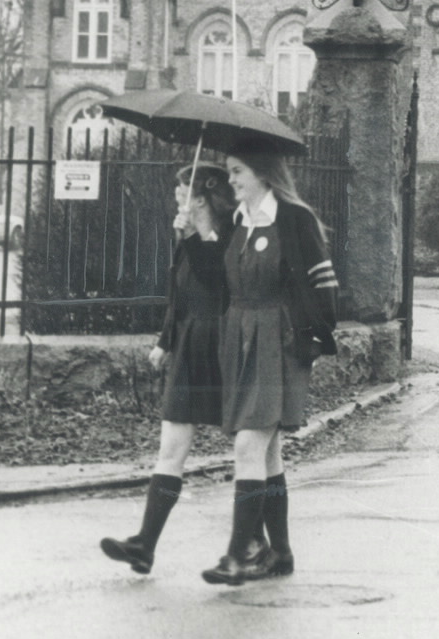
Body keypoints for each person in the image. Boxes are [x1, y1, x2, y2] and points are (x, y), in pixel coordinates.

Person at [202, 146, 339, 586]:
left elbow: (323, 284)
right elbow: (214, 282)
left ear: (262, 172)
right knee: (267, 450)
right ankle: (279, 553)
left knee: (248, 447)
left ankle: (238, 557)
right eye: (229, 173)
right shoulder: (236, 221)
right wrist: (197, 234)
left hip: (277, 342)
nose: (232, 181)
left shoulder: (295, 219)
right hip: (238, 340)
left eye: (238, 171)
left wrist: (315, 339)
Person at [99, 162, 235, 573]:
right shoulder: (186, 238)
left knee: (250, 452)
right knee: (170, 449)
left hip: (222, 347)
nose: (175, 198)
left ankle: (260, 544)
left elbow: (218, 282)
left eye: (182, 192)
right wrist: (164, 341)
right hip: (190, 347)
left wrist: (195, 236)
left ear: (200, 199)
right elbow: (179, 298)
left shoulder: (230, 237)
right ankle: (144, 545)